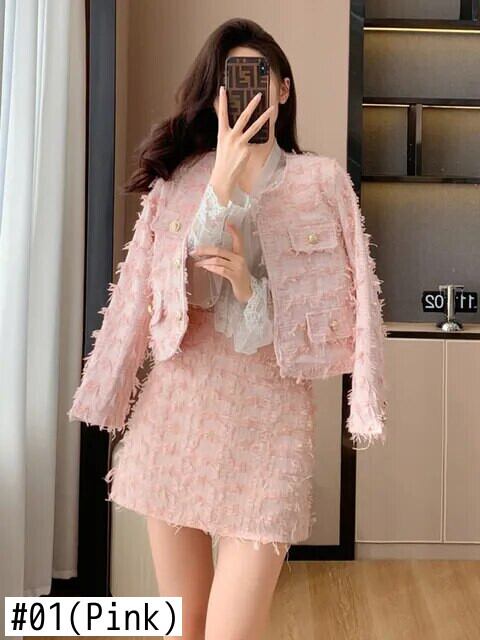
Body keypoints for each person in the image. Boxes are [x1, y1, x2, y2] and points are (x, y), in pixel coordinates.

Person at [68, 17, 387, 640]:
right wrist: (220, 182)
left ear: (284, 90)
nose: (249, 89)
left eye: (260, 75)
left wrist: (249, 286)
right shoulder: (184, 181)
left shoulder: (321, 182)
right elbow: (163, 296)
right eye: (234, 78)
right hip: (179, 422)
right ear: (217, 95)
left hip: (270, 431)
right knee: (184, 629)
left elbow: (350, 309)